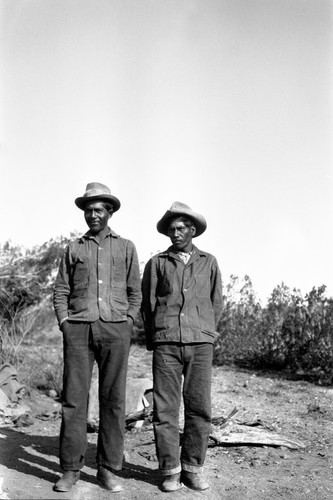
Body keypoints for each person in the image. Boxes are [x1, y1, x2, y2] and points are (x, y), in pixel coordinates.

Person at [53, 182, 141, 493]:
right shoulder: (73, 248)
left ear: (110, 212)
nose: (93, 214)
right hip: (78, 329)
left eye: (99, 210)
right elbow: (61, 290)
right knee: (74, 400)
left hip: (116, 329)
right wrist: (65, 321)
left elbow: (135, 292)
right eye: (89, 210)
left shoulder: (126, 247)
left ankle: (108, 469)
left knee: (113, 401)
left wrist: (127, 321)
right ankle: (70, 469)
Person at [141, 201, 223, 492]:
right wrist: (157, 336)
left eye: (181, 228)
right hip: (167, 343)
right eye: (171, 229)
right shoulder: (157, 263)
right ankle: (170, 470)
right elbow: (148, 305)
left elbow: (216, 302)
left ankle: (193, 467)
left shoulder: (209, 262)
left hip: (200, 343)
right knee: (165, 409)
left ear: (192, 231)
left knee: (199, 408)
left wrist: (208, 334)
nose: (175, 233)